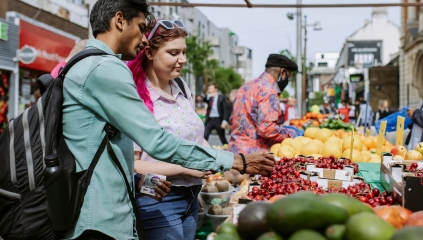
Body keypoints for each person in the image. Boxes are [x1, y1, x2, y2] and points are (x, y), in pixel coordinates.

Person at [62, 1, 274, 239]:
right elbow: (156, 141)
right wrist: (234, 161)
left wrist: (143, 180)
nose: (144, 40)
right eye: (142, 28)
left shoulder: (91, 64)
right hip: (99, 215)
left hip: (119, 204)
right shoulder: (105, 69)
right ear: (120, 21)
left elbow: (113, 151)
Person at [126, 19, 210, 239]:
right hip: (158, 198)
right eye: (174, 53)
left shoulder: (181, 86)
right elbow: (132, 164)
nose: (182, 60)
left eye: (184, 52)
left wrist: (218, 158)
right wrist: (187, 169)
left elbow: (196, 138)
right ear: (149, 53)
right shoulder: (134, 96)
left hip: (192, 194)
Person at [228, 54, 302, 154]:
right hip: (253, 156)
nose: (287, 81)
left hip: (234, 152)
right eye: (288, 77)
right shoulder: (269, 90)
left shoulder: (245, 87)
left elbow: (233, 120)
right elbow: (267, 129)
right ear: (282, 72)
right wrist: (291, 134)